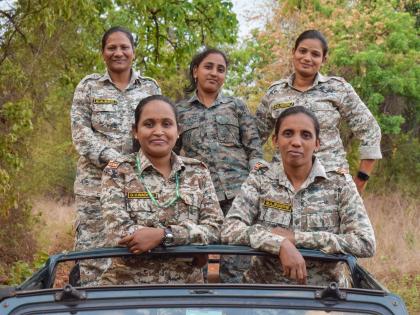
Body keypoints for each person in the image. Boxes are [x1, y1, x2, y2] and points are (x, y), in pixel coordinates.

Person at [222, 106, 376, 286]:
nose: (296, 142)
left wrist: (297, 239)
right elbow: (229, 229)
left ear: (317, 144)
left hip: (323, 298)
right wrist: (278, 243)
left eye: (306, 135)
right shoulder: (260, 179)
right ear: (275, 141)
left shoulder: (339, 183)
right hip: (264, 294)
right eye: (288, 133)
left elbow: (365, 242)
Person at [99, 95, 224, 285]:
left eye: (167, 124)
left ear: (178, 130)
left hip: (185, 289)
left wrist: (164, 235)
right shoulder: (118, 171)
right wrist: (190, 239)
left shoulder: (198, 172)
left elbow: (216, 228)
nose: (158, 131)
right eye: (149, 124)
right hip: (129, 289)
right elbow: (119, 233)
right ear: (135, 131)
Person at [71, 26, 161, 284]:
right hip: (94, 188)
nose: (118, 52)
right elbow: (80, 133)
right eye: (112, 47)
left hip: (138, 186)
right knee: (93, 258)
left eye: (124, 47)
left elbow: (157, 129)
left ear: (133, 52)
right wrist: (115, 160)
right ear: (103, 53)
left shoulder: (150, 87)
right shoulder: (89, 87)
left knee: (134, 254)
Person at [175, 48, 263, 283]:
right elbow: (170, 156)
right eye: (208, 67)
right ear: (195, 71)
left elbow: (254, 146)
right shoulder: (179, 111)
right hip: (200, 198)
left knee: (236, 266)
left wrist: (255, 184)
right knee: (197, 264)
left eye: (221, 69)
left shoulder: (236, 106)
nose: (214, 73)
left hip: (238, 197)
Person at [255, 30, 382, 193]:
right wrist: (256, 177)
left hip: (330, 188)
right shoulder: (275, 93)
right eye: (302, 51)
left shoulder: (338, 89)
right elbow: (253, 138)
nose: (307, 58)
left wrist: (361, 180)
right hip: (283, 187)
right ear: (294, 53)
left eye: (315, 54)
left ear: (323, 59)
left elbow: (370, 131)